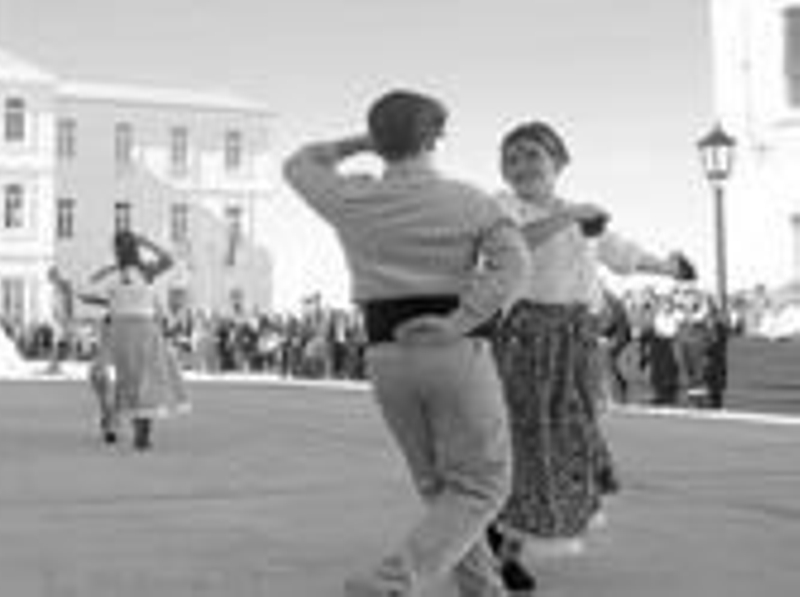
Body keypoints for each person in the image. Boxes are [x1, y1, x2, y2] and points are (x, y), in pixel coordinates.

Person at [285, 90, 530, 597]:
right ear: (436, 138)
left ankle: (483, 589)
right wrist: (461, 320)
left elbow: (299, 163)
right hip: (454, 351)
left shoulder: (352, 198)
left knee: (438, 485)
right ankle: (392, 581)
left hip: (385, 353)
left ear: (378, 140)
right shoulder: (470, 201)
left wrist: (363, 142)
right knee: (483, 485)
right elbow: (515, 265)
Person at [486, 121, 697, 586]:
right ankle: (495, 545)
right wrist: (571, 216)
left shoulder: (579, 216)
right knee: (524, 441)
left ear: (558, 162)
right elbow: (514, 242)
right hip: (526, 339)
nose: (520, 165)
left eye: (532, 154)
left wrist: (669, 267)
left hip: (573, 343)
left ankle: (507, 548)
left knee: (563, 443)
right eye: (511, 158)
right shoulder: (504, 206)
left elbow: (621, 253)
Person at [78, 231, 188, 451]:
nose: (122, 249)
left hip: (140, 328)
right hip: (121, 327)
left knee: (141, 381)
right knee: (109, 375)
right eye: (119, 245)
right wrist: (110, 296)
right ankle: (112, 417)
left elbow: (168, 260)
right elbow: (85, 294)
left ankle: (140, 433)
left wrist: (146, 242)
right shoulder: (116, 273)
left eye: (125, 245)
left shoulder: (144, 270)